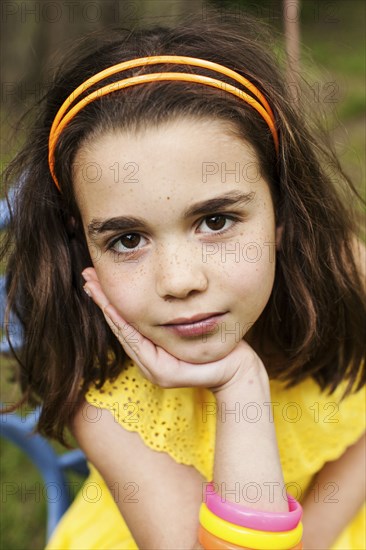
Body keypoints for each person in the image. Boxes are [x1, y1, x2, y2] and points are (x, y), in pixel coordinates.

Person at [1, 10, 365, 550]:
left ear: (284, 215)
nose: (180, 281)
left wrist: (313, 536)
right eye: (127, 240)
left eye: (215, 221)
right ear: (84, 247)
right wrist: (239, 382)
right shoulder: (97, 388)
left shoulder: (343, 271)